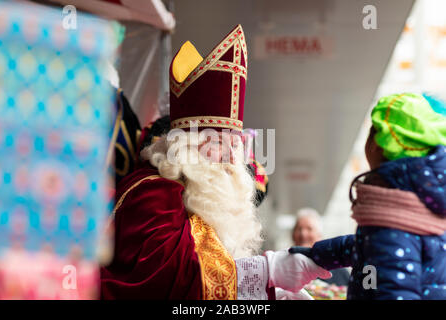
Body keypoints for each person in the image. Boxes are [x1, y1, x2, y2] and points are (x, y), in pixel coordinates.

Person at [100, 24, 331, 300]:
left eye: (236, 144)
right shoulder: (152, 192)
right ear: (187, 146)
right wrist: (266, 271)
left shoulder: (200, 195)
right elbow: (170, 280)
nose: (234, 157)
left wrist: (267, 296)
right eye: (221, 143)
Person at [290, 93, 446, 300]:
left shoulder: (390, 224)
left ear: (378, 144)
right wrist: (318, 255)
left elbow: (387, 264)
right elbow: (366, 245)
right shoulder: (417, 201)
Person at [292, 208, 350, 286]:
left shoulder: (339, 271)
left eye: (309, 229)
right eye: (299, 229)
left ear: (319, 235)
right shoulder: (283, 267)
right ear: (292, 235)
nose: (303, 234)